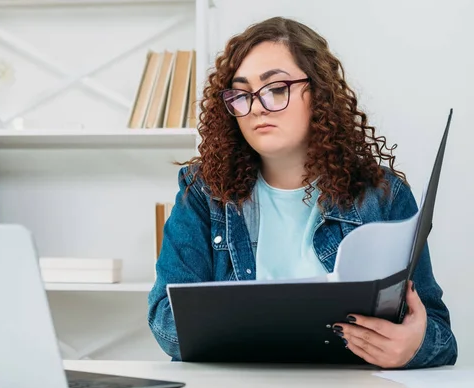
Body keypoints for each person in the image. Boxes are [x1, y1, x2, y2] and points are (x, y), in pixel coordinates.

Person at [147, 16, 458, 369]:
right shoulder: (204, 194)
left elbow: (441, 336)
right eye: (241, 94)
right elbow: (166, 321)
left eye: (276, 88)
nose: (258, 106)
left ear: (319, 94)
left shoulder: (383, 196)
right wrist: (284, 334)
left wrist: (413, 346)